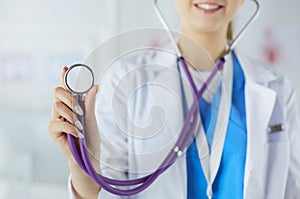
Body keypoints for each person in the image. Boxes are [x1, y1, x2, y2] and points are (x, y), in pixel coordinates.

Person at [48, 0, 300, 198]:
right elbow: (106, 194)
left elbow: (290, 190)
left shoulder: (277, 89)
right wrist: (84, 166)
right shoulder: (126, 82)